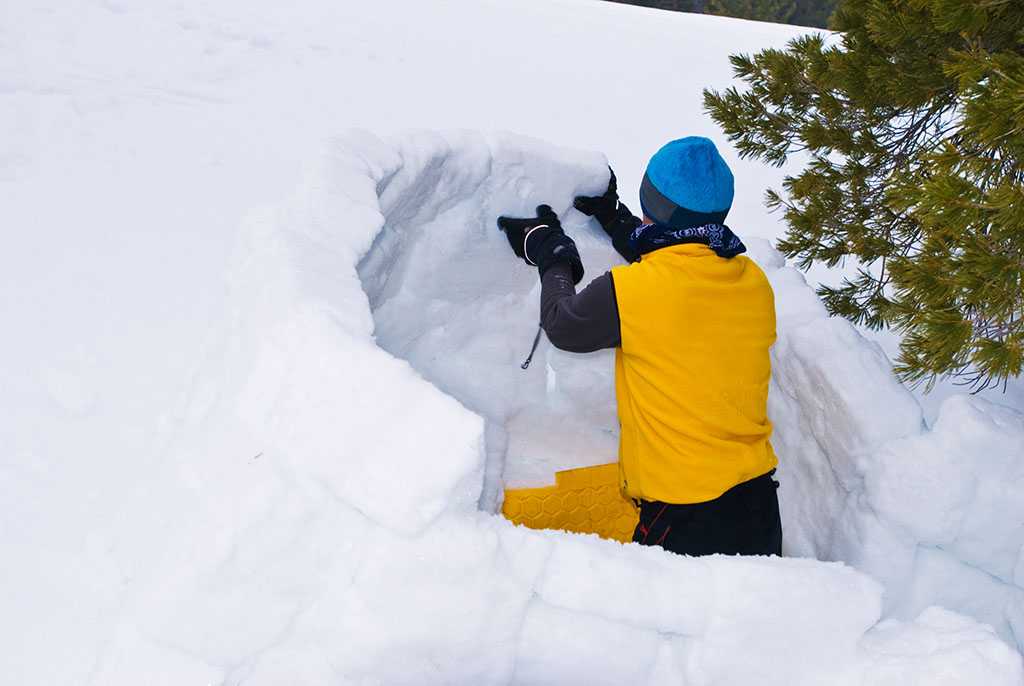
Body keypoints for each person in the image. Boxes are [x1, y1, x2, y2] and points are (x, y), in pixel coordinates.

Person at [498, 137, 782, 557]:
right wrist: (614, 219)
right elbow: (678, 261)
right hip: (758, 507)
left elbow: (562, 324)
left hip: (688, 520)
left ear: (654, 206)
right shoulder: (750, 279)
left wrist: (552, 255)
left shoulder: (634, 293)